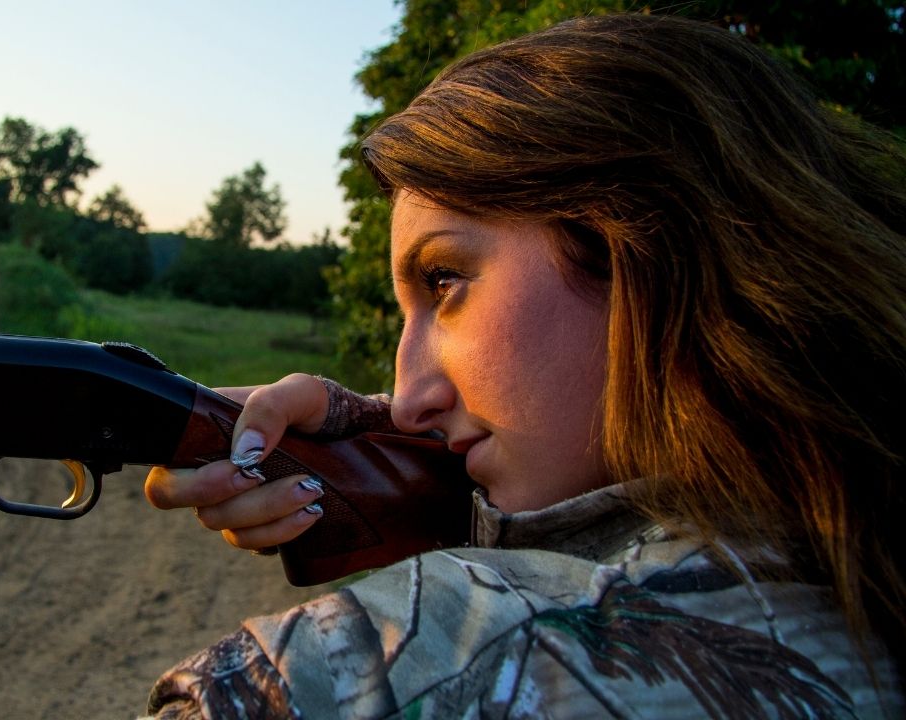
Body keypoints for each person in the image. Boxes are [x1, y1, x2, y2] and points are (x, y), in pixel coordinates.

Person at [142, 12, 905, 719]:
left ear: (638, 251)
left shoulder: (421, 666)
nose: (407, 398)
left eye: (445, 280)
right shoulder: (858, 541)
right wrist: (400, 467)